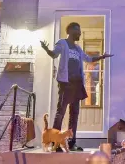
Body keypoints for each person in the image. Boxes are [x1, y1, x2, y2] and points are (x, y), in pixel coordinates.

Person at [40, 22, 113, 152]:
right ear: (71, 31)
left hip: (77, 85)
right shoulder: (62, 43)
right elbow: (54, 54)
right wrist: (46, 49)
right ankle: (54, 143)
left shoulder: (78, 49)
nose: (79, 33)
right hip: (66, 83)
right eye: (78, 31)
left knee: (74, 115)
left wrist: (102, 56)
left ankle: (71, 143)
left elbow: (89, 59)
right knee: (60, 113)